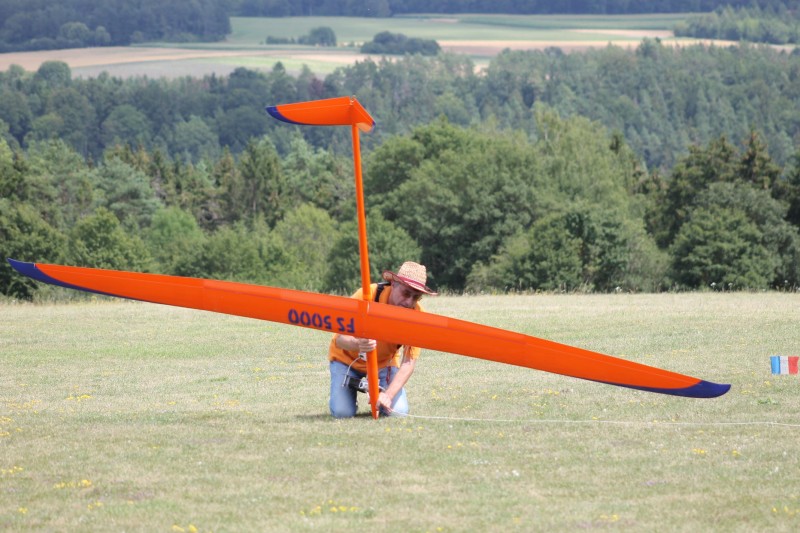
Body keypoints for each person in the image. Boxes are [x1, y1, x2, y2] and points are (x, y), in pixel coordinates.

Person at [328, 261, 437, 418]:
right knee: (342, 412)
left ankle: (380, 393)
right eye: (406, 293)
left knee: (399, 412)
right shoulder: (367, 295)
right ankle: (345, 395)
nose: (409, 302)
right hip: (346, 359)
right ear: (394, 284)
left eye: (416, 297)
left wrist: (388, 395)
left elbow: (408, 363)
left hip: (384, 364)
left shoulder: (418, 316)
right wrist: (358, 344)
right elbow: (339, 339)